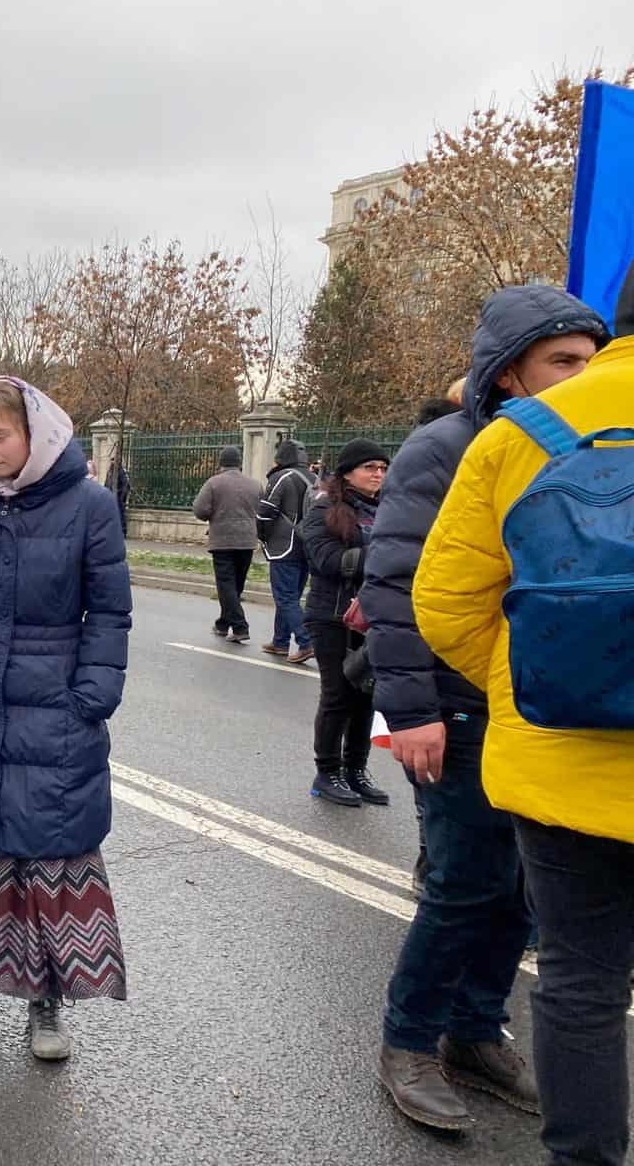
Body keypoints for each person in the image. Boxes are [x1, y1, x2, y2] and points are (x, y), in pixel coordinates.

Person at [362, 285, 606, 1135]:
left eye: (590, 360)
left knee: (523, 896)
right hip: (458, 708)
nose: (582, 377)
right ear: (509, 376)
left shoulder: (586, 444)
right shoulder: (445, 448)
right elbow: (394, 585)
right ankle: (407, 1042)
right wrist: (411, 712)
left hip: (543, 709)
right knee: (463, 886)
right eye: (562, 363)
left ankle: (474, 1032)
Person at [415, 288, 634, 1166]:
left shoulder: (522, 433)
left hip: (559, 769)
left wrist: (531, 689)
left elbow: (443, 603)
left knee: (582, 982)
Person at [0, 377, 131, 1062]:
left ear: (35, 435)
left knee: (45, 853)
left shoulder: (90, 505)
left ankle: (46, 1002)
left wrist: (93, 690)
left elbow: (110, 609)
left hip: (52, 695)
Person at [300, 438, 389, 807]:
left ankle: (355, 768)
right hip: (332, 614)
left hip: (375, 615)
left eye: (383, 468)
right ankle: (327, 772)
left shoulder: (389, 509)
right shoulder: (324, 509)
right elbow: (325, 559)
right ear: (348, 472)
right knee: (337, 695)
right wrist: (386, 555)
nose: (378, 474)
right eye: (370, 467)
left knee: (365, 695)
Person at [192, 446, 262, 643]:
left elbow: (200, 510)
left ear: (221, 463)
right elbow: (261, 509)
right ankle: (223, 623)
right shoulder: (255, 485)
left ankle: (240, 626)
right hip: (248, 540)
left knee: (226, 585)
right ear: (240, 462)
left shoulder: (213, 483)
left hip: (222, 540)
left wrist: (213, 516)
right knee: (235, 584)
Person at [256, 440, 315, 664]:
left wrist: (263, 536)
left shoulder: (281, 477)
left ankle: (306, 642)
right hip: (307, 545)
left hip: (284, 547)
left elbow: (265, 512)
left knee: (285, 597)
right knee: (292, 595)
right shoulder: (314, 478)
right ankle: (280, 642)